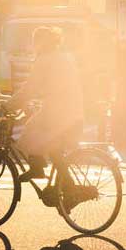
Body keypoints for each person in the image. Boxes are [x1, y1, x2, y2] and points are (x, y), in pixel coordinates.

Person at [5, 26, 85, 182]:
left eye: (35, 42)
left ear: (40, 42)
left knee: (30, 132)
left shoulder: (44, 59)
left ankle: (37, 168)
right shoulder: (62, 56)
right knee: (52, 146)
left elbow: (30, 88)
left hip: (59, 110)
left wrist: (10, 105)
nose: (34, 46)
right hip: (71, 109)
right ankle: (66, 188)